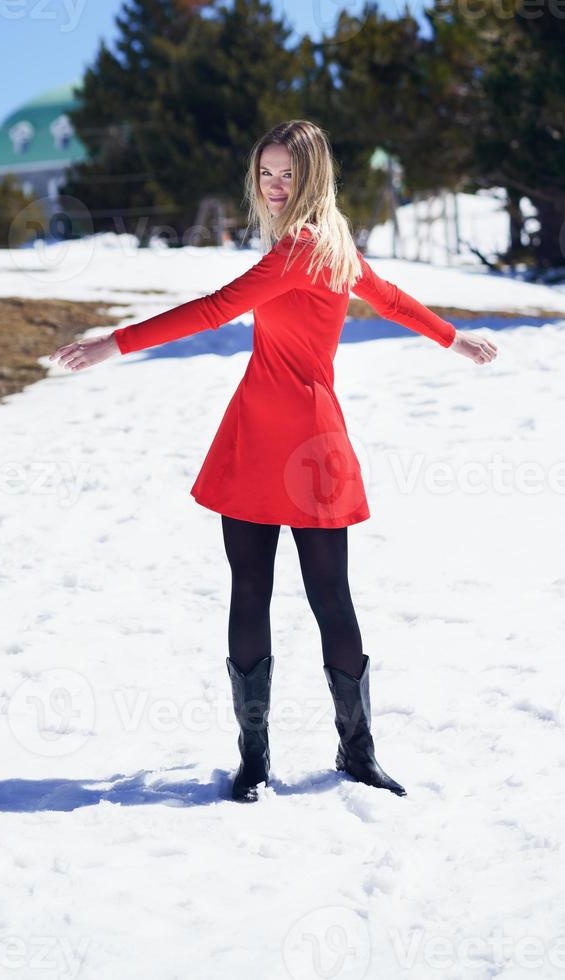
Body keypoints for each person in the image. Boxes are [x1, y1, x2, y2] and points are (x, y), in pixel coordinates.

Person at [49, 120, 498, 804]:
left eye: (287, 173)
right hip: (282, 435)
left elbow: (217, 309)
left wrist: (116, 342)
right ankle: (326, 757)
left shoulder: (304, 245)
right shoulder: (336, 244)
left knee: (293, 595)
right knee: (293, 594)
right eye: (267, 173)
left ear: (313, 175)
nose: (276, 185)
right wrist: (452, 339)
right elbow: (389, 300)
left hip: (279, 439)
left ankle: (277, 761)